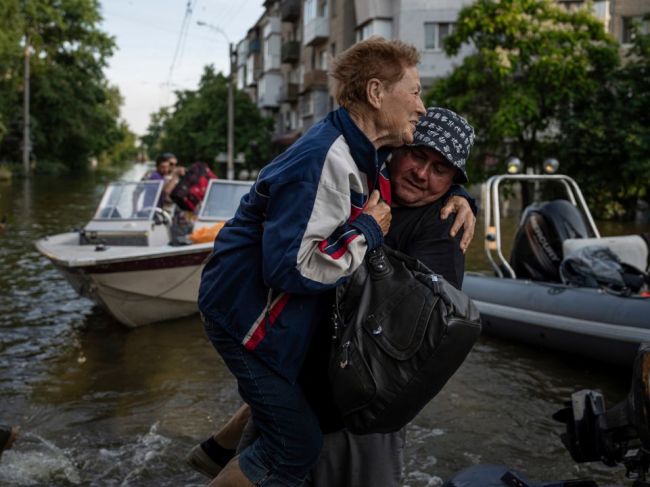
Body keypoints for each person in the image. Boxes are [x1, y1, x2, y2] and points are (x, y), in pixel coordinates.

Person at [191, 106, 477, 486]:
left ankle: (217, 448)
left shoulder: (442, 226)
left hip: (353, 409)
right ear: (399, 146)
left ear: (453, 179)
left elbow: (404, 333)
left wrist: (459, 199)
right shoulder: (361, 179)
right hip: (295, 378)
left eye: (440, 170)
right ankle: (219, 447)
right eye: (417, 155)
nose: (422, 173)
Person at [197, 36, 425, 487]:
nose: (421, 107)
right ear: (377, 93)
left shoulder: (362, 148)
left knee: (284, 420)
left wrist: (460, 197)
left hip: (267, 315)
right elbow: (293, 267)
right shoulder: (326, 158)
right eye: (416, 92)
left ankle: (212, 457)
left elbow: (426, 165)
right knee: (296, 442)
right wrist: (368, 230)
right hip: (244, 318)